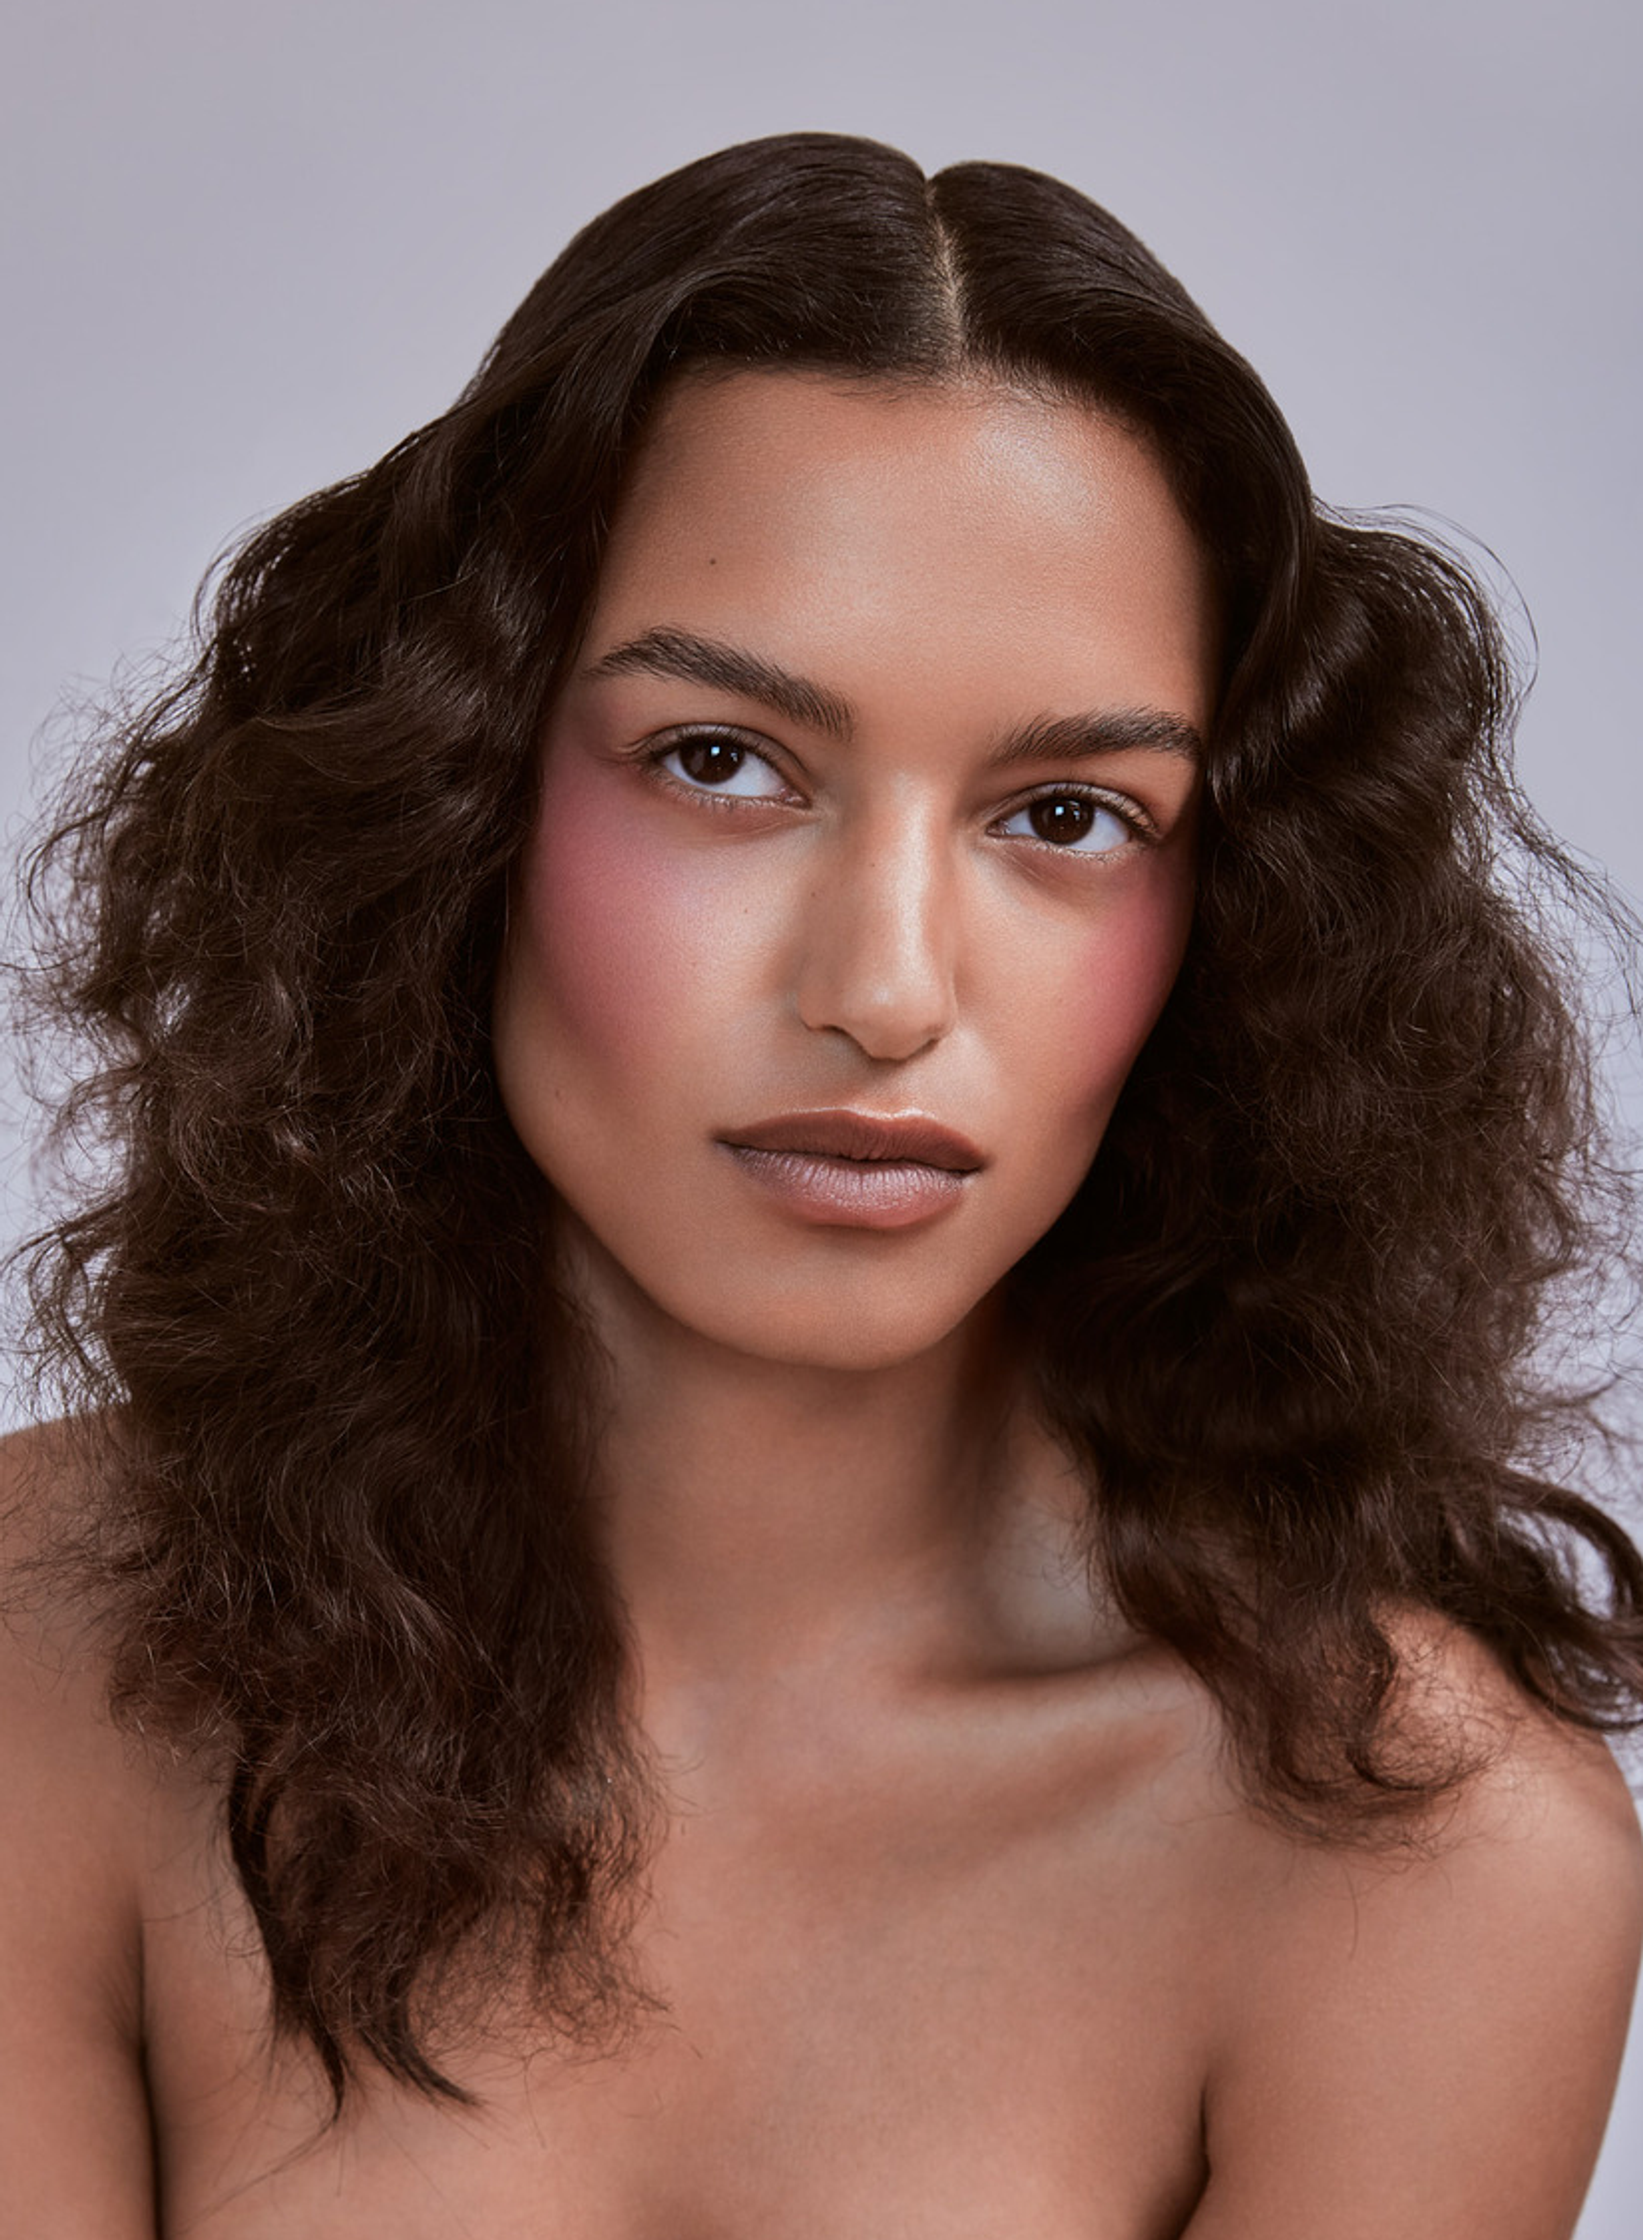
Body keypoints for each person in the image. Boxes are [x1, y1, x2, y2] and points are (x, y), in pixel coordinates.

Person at [2, 130, 1640, 2238]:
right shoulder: (43, 1654)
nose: (881, 991)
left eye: (1063, 810)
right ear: (453, 788)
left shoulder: (1414, 1853)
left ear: (1234, 916)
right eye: (719, 762)